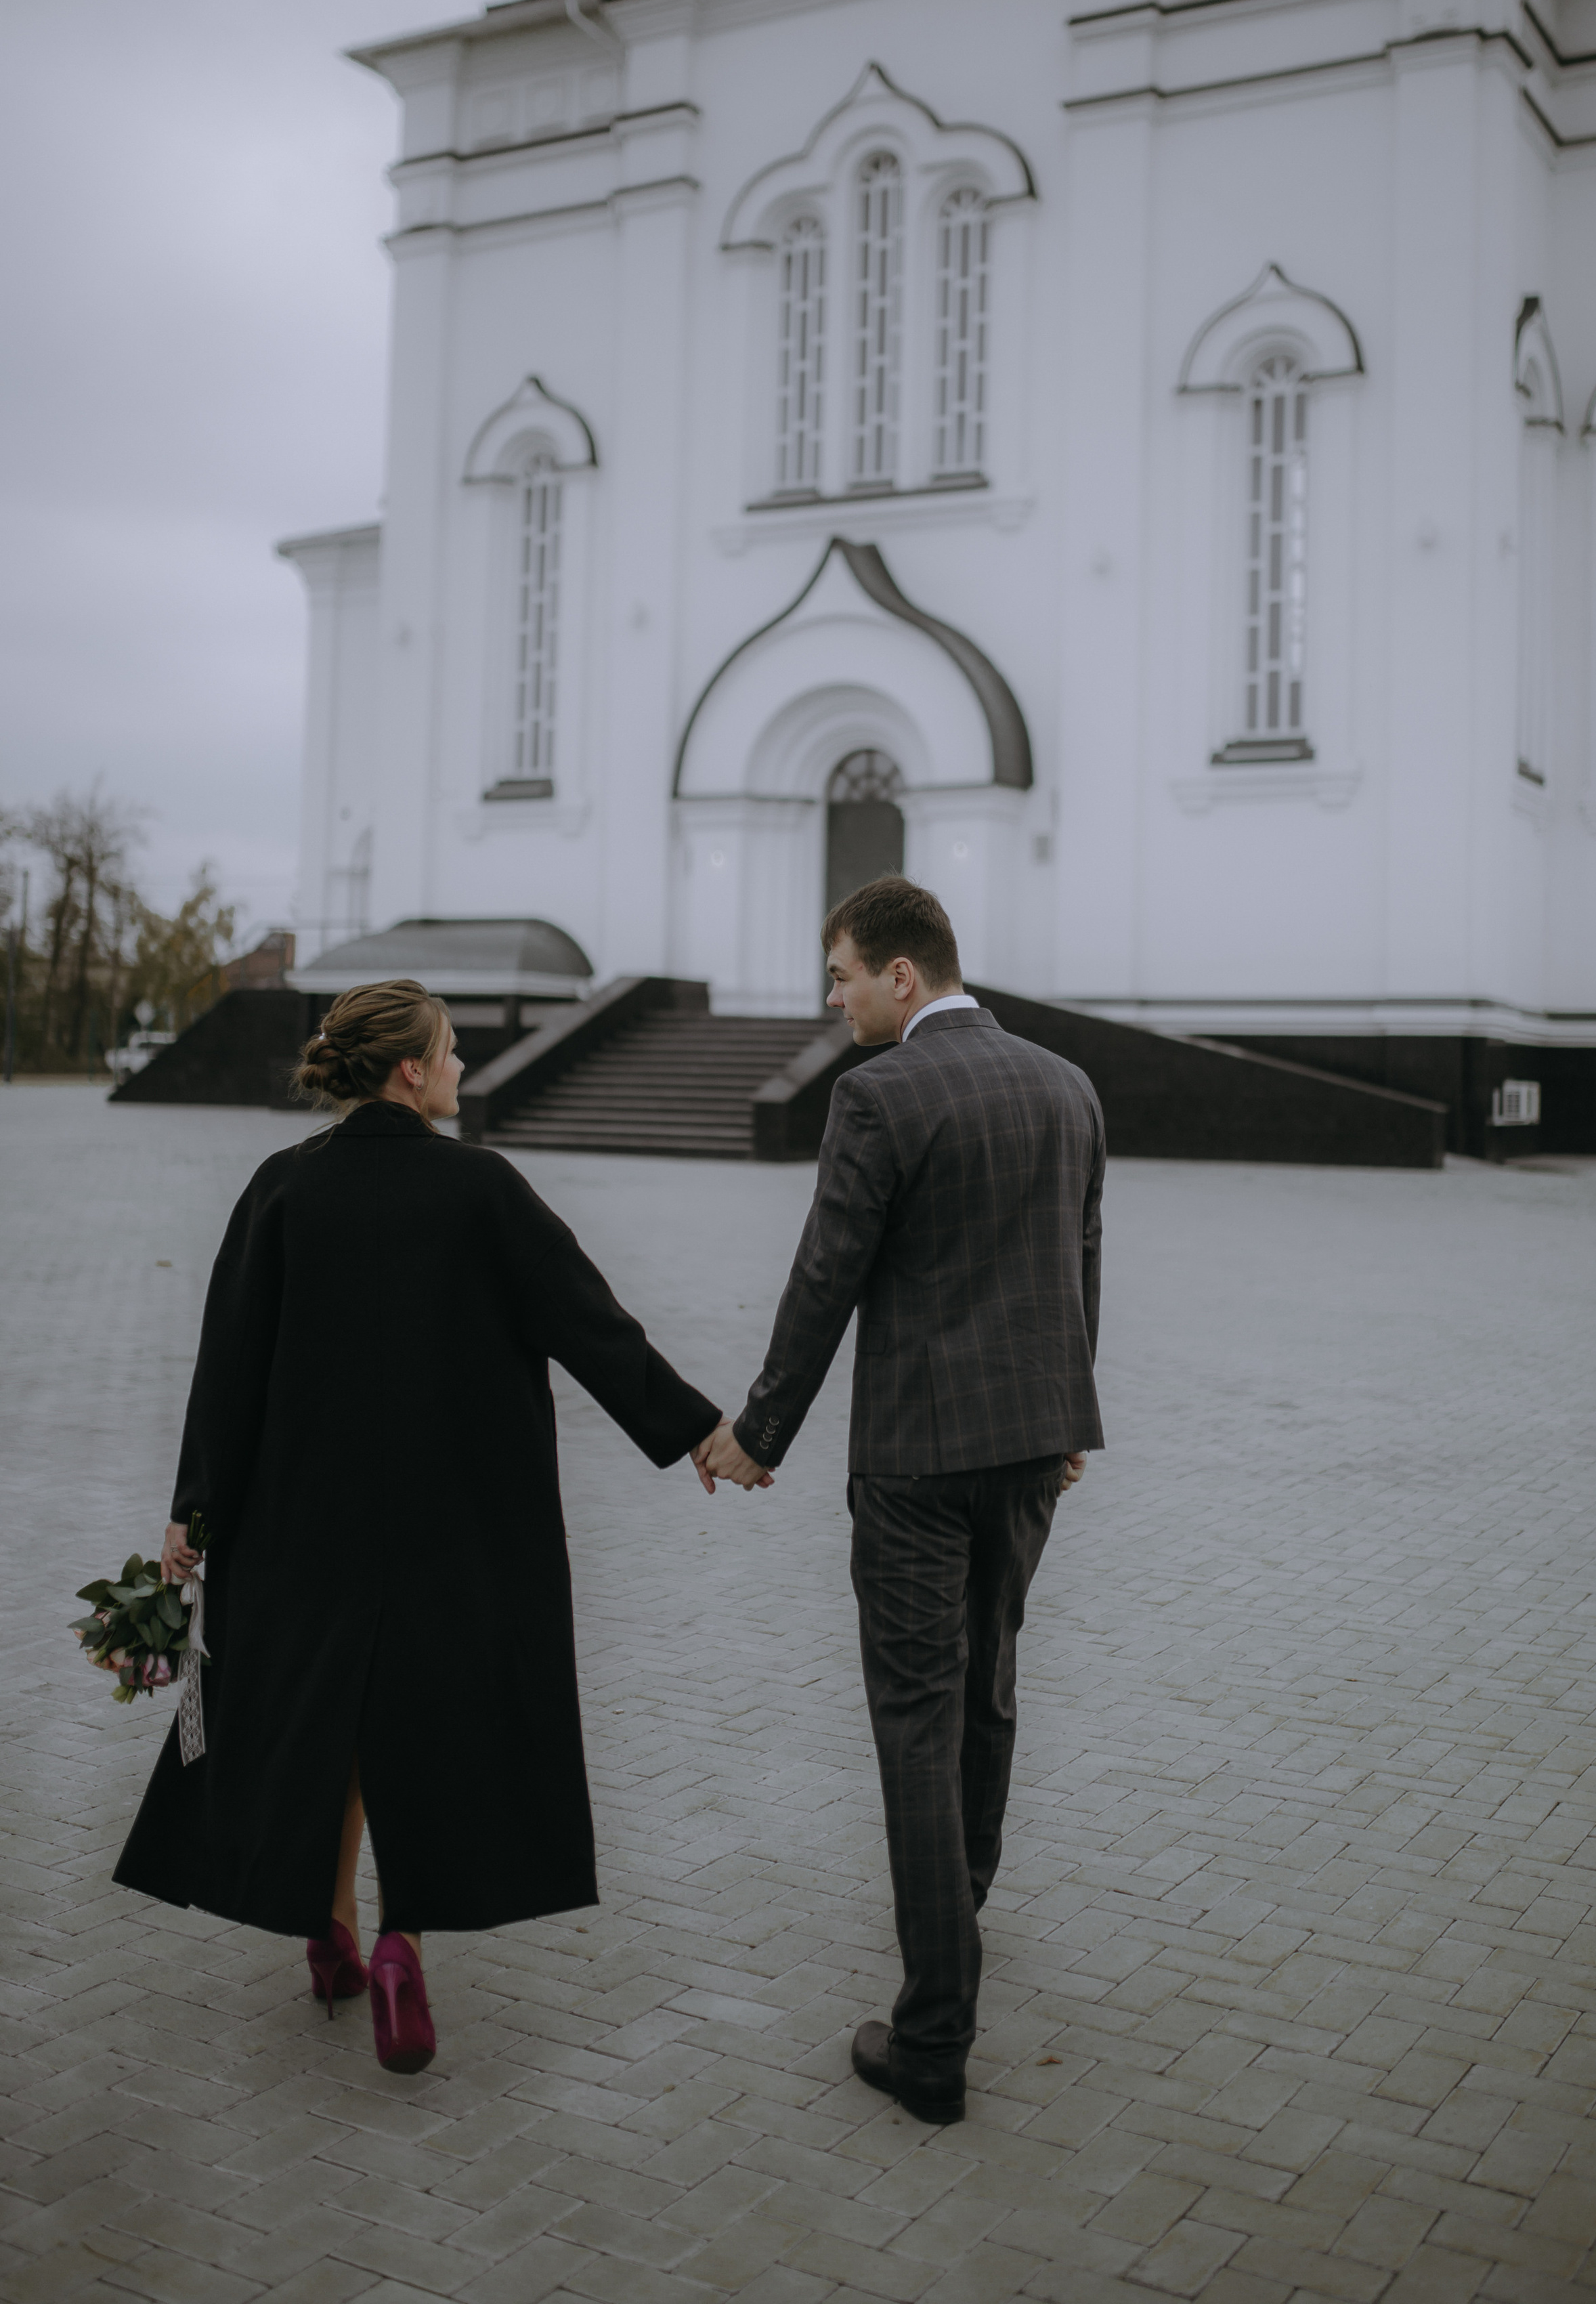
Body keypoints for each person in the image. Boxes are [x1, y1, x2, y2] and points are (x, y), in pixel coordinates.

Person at [114, 979, 722, 2076]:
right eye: (448, 1052)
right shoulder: (482, 1189)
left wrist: (193, 1512)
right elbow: (590, 1323)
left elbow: (229, 1369)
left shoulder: (282, 1190)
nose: (457, 1070)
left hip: (306, 1525)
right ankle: (399, 1944)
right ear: (408, 1071)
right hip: (456, 1525)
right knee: (430, 1721)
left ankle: (331, 1932)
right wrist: (698, 1432)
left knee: (330, 1718)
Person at [694, 878, 1105, 2125]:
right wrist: (1066, 1417)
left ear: (904, 978)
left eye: (842, 977)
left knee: (917, 1717)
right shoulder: (1067, 1084)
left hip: (920, 1462)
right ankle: (959, 1910)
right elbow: (1082, 1255)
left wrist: (756, 1432)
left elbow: (828, 1277)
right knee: (989, 1684)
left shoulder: (877, 1096)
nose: (834, 999)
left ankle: (932, 2038)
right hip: (1033, 1446)